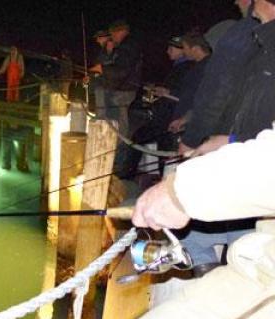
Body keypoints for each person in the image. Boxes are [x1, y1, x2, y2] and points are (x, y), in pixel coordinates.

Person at [131, 125, 275, 318]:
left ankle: (205, 270)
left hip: (260, 268)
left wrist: (180, 192)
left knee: (192, 236)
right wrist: (228, 140)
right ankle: (206, 272)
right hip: (261, 264)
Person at [178, 0, 258, 154]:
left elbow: (217, 93)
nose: (236, 2)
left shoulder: (243, 33)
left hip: (233, 141)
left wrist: (192, 139)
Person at [117, 36, 194, 178]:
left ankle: (127, 175)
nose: (167, 51)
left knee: (139, 139)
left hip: (169, 117)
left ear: (182, 50)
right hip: (165, 115)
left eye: (171, 48)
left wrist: (168, 92)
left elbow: (187, 93)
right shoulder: (178, 67)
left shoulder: (188, 68)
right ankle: (160, 180)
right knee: (162, 149)